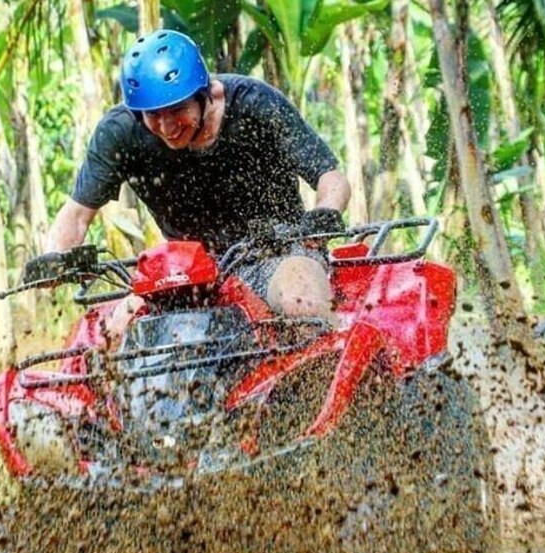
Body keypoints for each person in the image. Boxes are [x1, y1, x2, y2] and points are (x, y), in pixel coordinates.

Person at [25, 29, 350, 332]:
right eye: (153, 116)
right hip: (185, 272)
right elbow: (77, 215)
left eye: (177, 110)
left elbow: (331, 177)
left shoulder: (255, 105)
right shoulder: (120, 133)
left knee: (300, 303)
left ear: (204, 93)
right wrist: (55, 259)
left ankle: (327, 386)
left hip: (277, 252)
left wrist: (324, 214)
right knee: (116, 333)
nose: (167, 128)